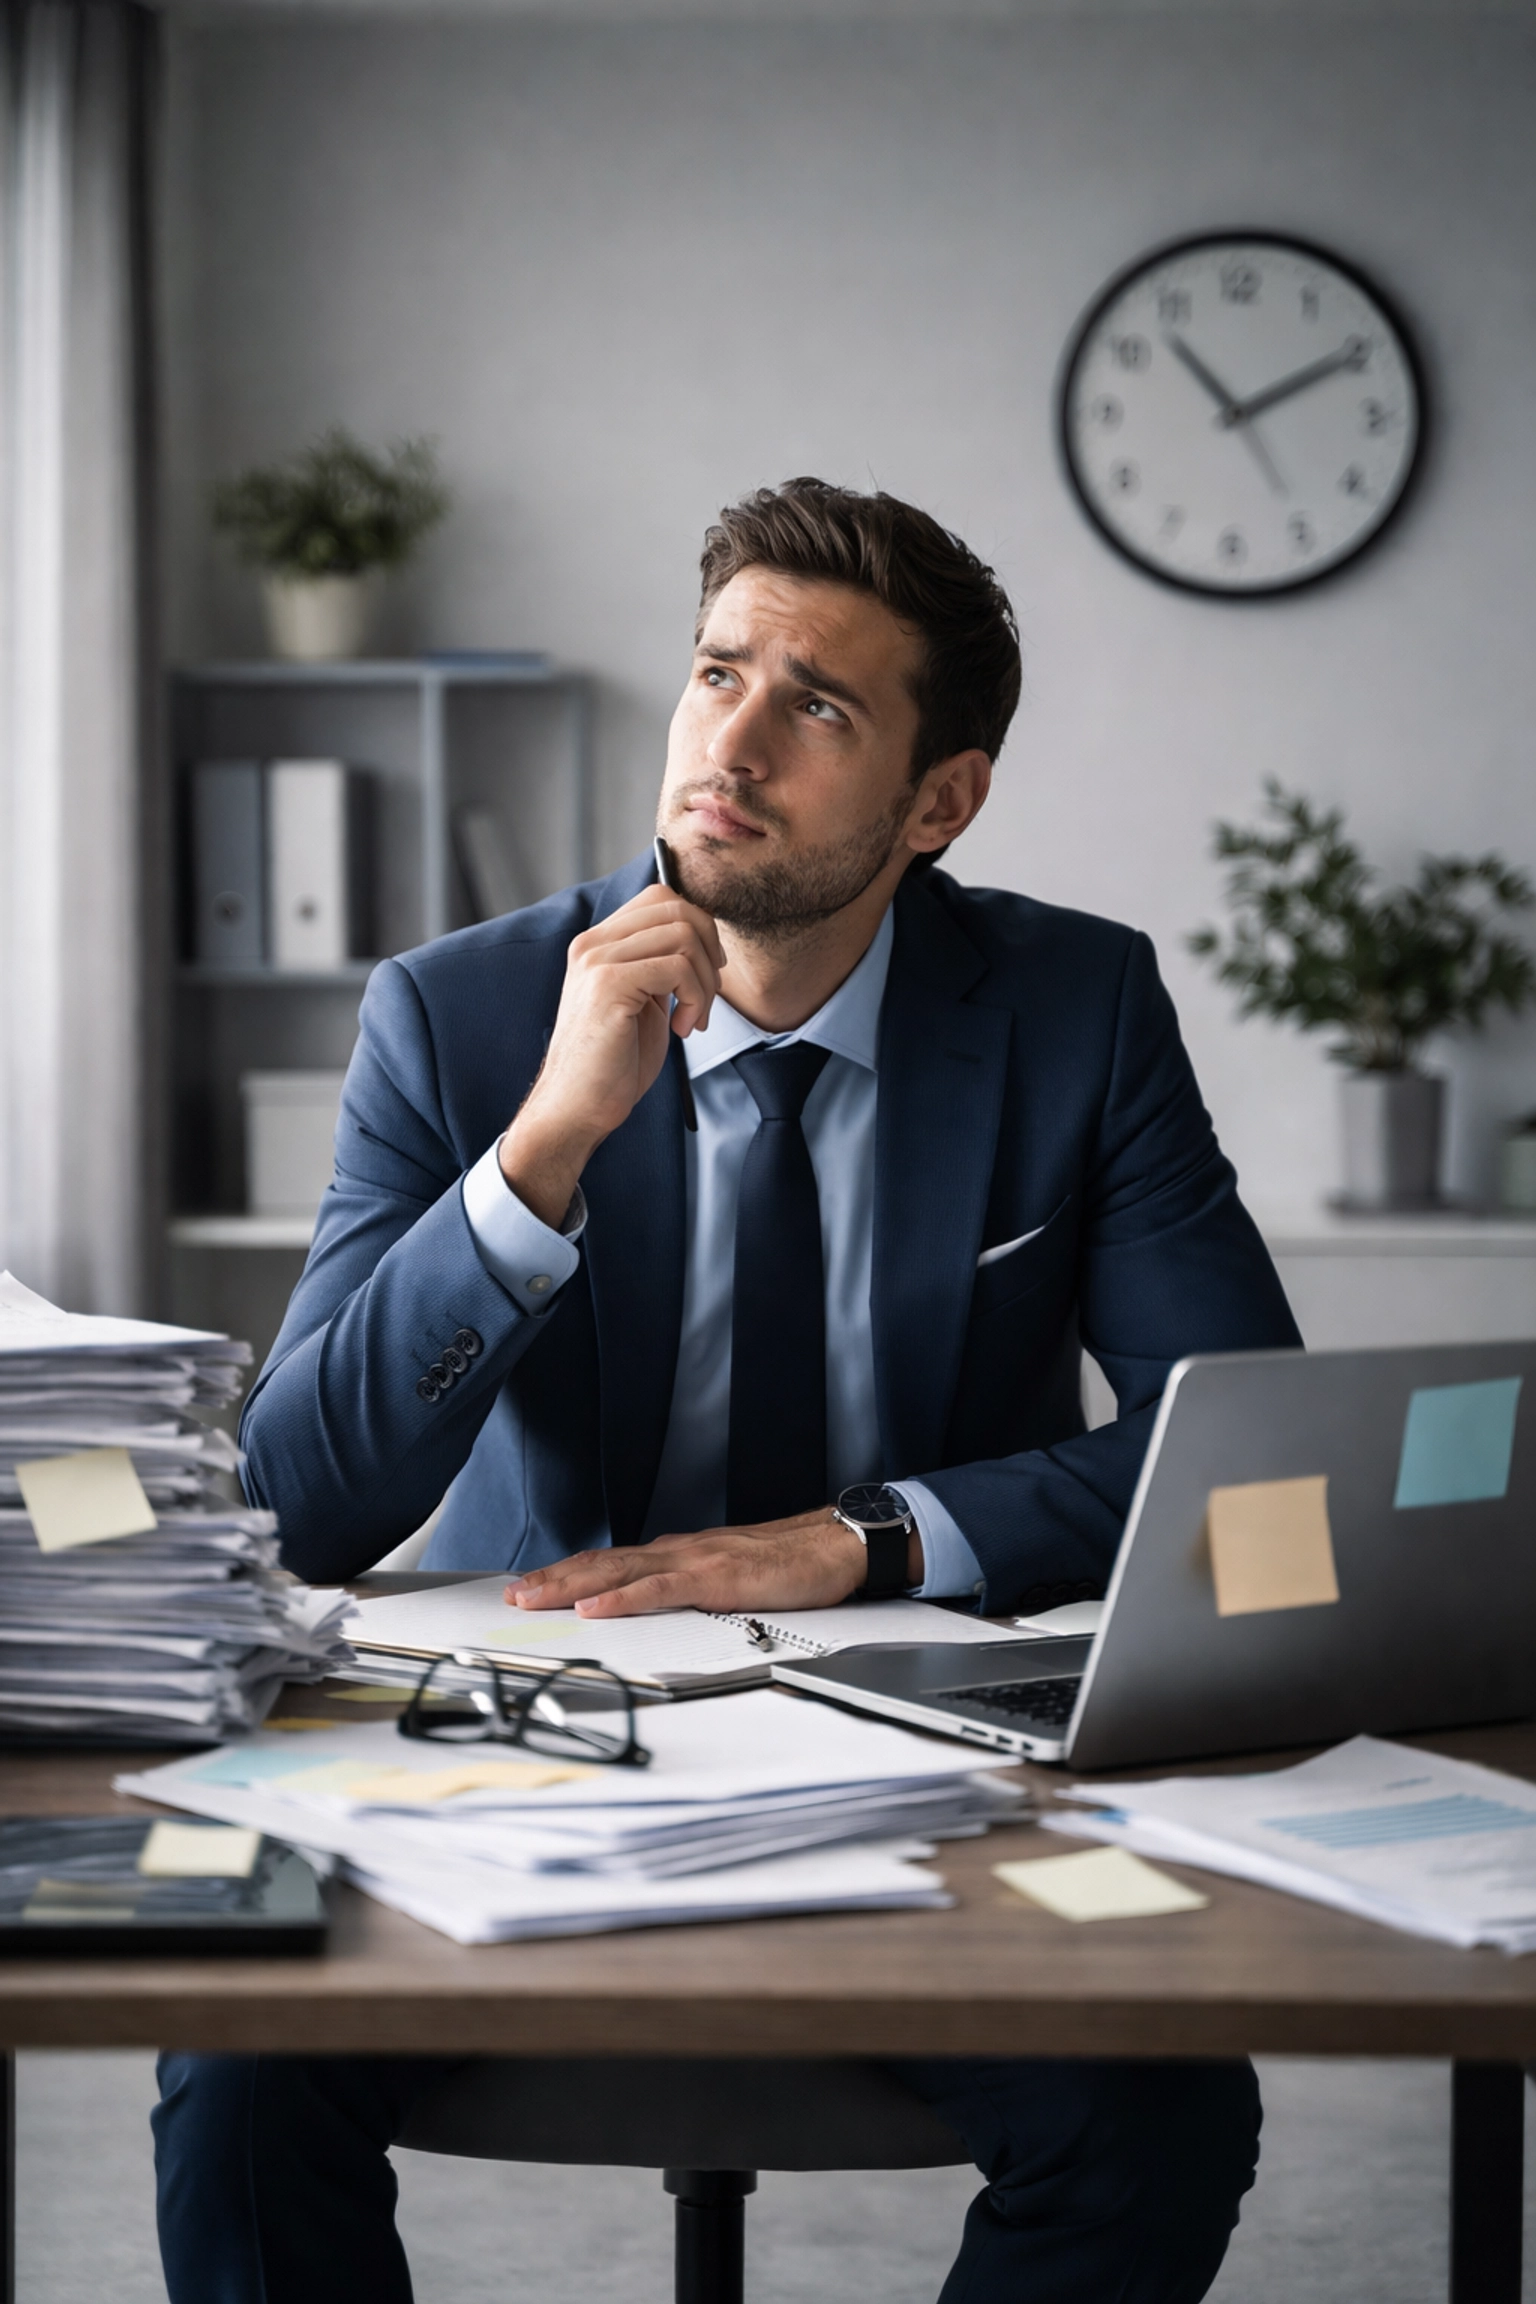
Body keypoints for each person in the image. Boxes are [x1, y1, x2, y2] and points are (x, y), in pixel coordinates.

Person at [154, 478, 1298, 2303]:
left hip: (925, 1749)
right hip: (527, 1735)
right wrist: (543, 1149)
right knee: (229, 2075)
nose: (732, 743)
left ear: (943, 800)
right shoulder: (457, 1013)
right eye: (716, 676)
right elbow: (292, 1504)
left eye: (817, 705)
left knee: (1156, 2119)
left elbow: (1234, 1448)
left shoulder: (1078, 1011)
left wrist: (870, 1542)